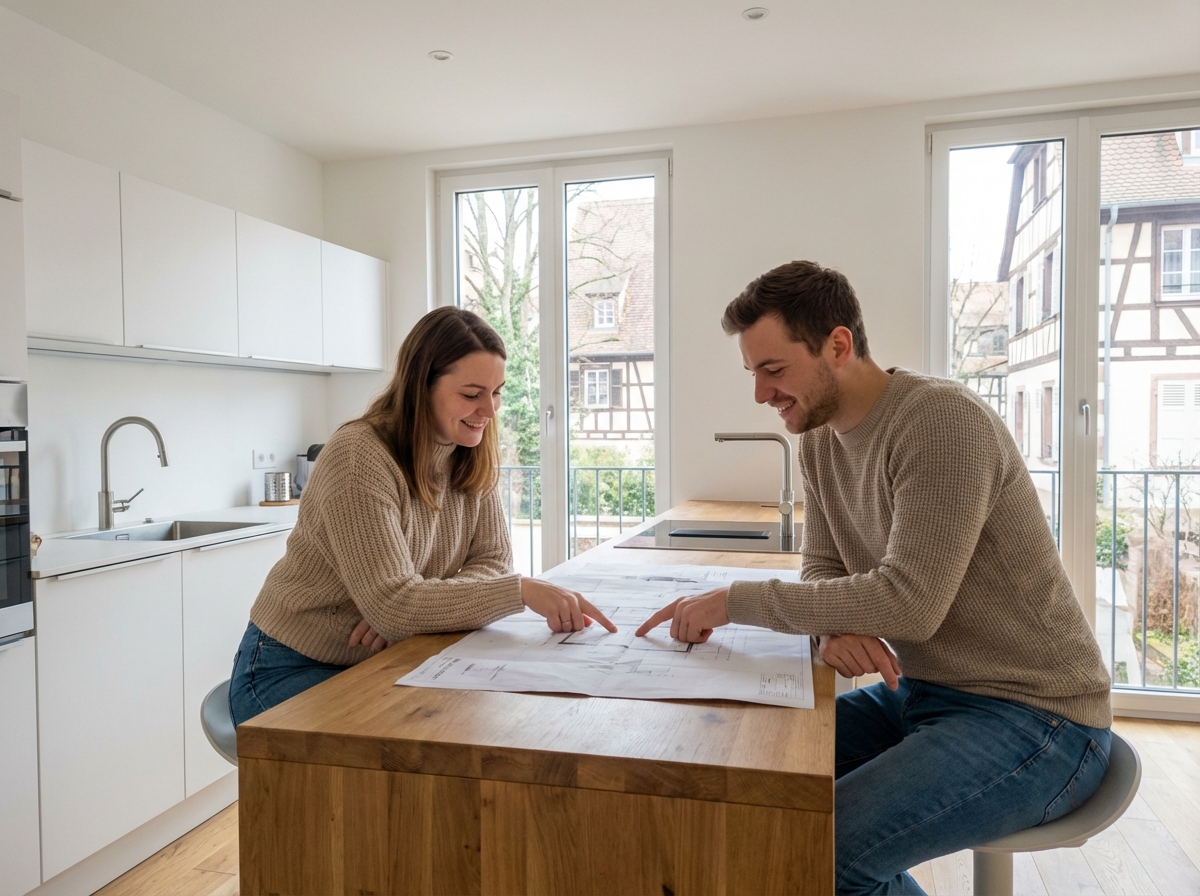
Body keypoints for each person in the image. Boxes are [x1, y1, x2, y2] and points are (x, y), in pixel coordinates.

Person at [637, 261, 1112, 895]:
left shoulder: (942, 423)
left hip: (1038, 719)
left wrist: (734, 601)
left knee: (824, 856)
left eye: (773, 371)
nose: (759, 394)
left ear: (838, 345)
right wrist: (830, 630)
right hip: (922, 694)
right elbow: (824, 567)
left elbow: (910, 603)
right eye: (753, 373)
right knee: (751, 789)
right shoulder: (821, 441)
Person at [230, 306, 615, 726]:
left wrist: (411, 612)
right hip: (288, 665)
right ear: (420, 386)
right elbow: (399, 604)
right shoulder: (359, 456)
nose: (489, 410)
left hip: (391, 653)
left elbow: (490, 563)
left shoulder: (469, 449)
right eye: (471, 394)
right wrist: (515, 592)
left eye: (497, 391)